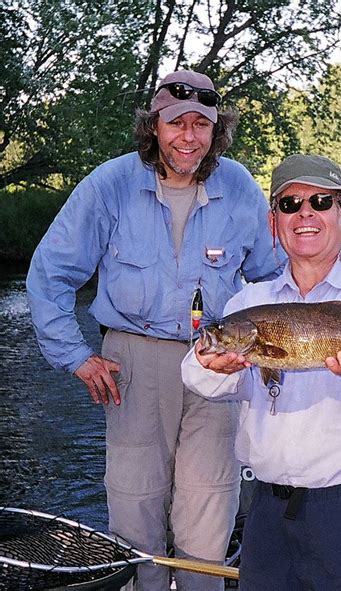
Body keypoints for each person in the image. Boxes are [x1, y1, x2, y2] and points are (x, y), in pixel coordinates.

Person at [26, 69, 285, 591]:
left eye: (202, 125)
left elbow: (277, 274)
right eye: (177, 123)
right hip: (132, 362)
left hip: (218, 360)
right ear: (154, 127)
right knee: (135, 501)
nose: (189, 137)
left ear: (217, 131)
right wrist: (75, 356)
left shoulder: (238, 187)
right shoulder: (110, 184)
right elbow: (50, 273)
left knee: (211, 502)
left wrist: (290, 340)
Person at [182, 154, 341, 590]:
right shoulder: (248, 303)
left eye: (321, 201)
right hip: (271, 518)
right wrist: (209, 364)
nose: (305, 213)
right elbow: (202, 377)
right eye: (289, 204)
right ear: (273, 223)